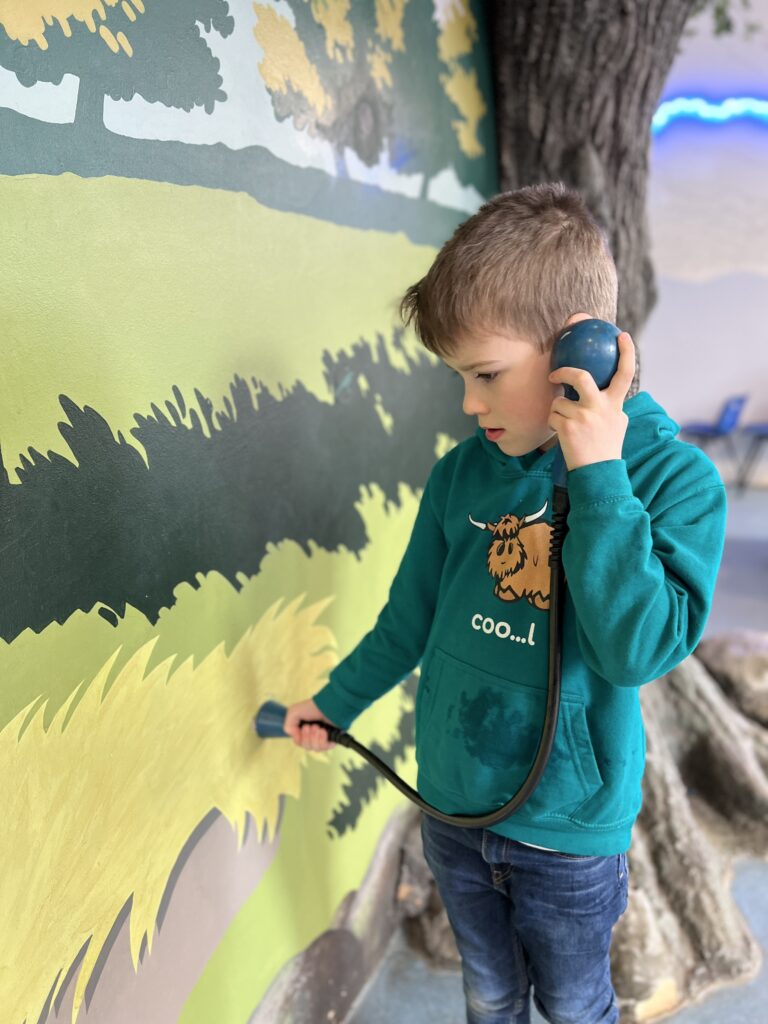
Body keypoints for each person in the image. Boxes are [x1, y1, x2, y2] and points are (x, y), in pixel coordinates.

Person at [283, 183, 728, 1024]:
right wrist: (333, 705)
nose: (469, 403)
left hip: (568, 833)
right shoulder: (462, 475)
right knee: (489, 995)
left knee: (572, 1003)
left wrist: (598, 477)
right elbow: (406, 620)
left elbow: (640, 649)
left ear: (582, 360)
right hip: (453, 806)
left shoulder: (676, 484)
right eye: (461, 378)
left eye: (485, 375)